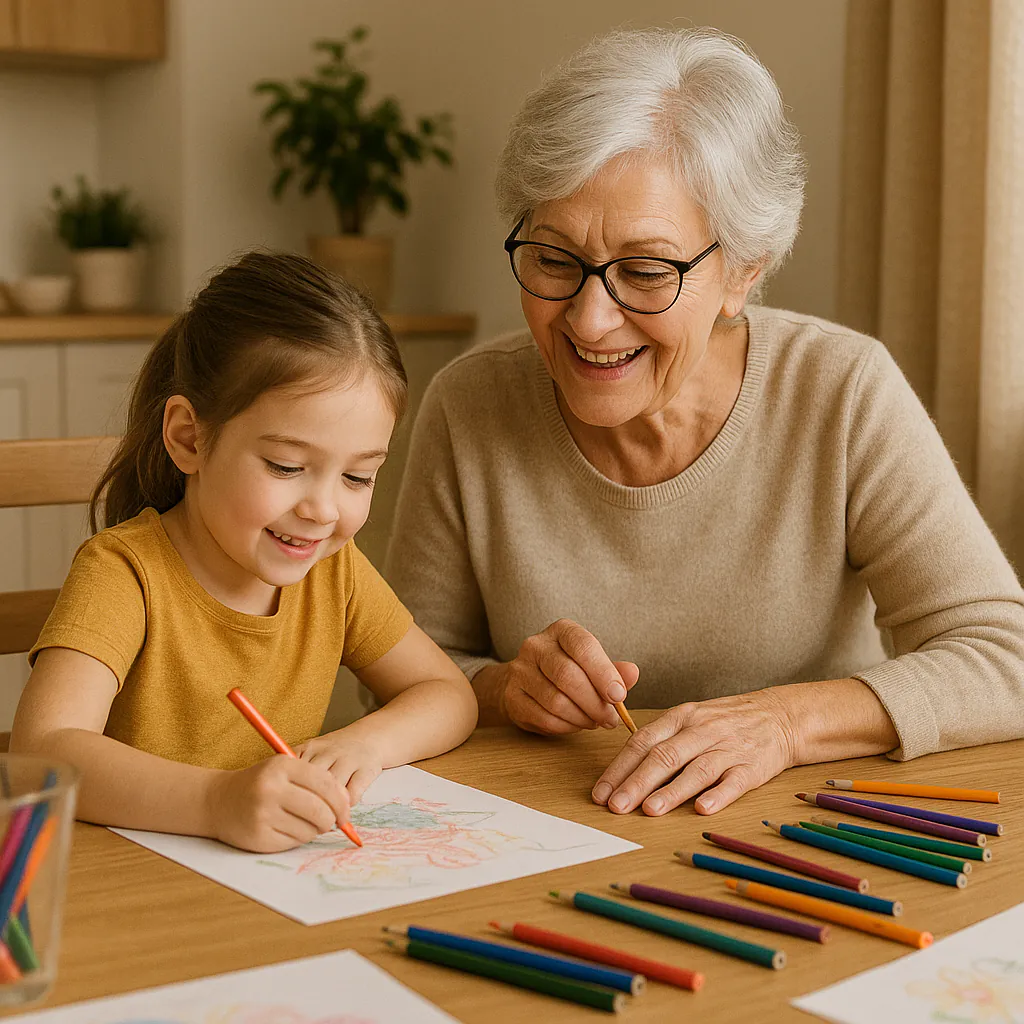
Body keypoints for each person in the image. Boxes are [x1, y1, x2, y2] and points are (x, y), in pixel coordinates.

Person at [385, 27, 1024, 819]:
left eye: (645, 272)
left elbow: (1005, 658)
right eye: (554, 260)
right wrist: (504, 687)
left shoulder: (840, 391)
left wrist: (785, 723)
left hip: (808, 839)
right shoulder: (469, 402)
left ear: (743, 273)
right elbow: (400, 666)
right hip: (559, 831)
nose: (589, 320)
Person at [12, 251, 477, 853]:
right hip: (137, 887)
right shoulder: (126, 573)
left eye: (359, 477)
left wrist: (365, 744)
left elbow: (447, 694)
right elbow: (44, 749)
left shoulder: (335, 573)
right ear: (190, 437)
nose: (323, 510)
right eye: (286, 466)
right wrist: (215, 801)